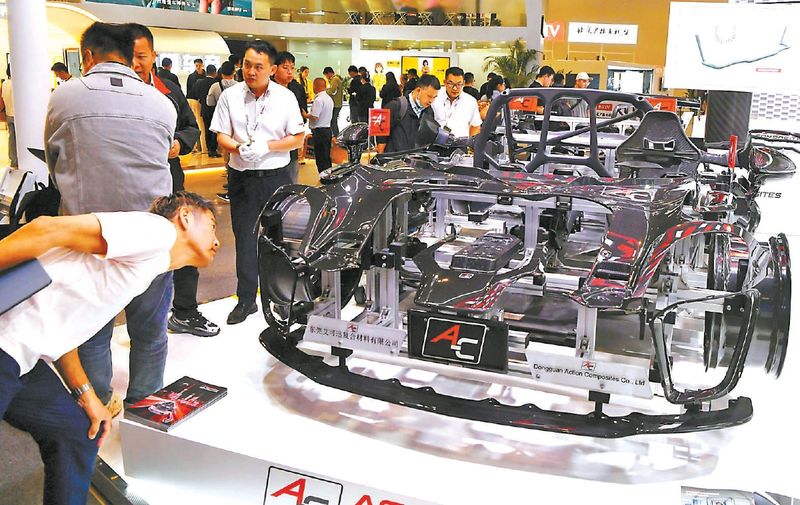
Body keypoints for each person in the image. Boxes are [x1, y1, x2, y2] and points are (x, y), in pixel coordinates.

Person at [0, 191, 219, 505]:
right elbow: (46, 228)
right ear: (185, 216)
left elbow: (62, 334)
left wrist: (87, 396)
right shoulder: (157, 232)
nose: (217, 240)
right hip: (6, 347)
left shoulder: (146, 267)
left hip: (23, 358)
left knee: (75, 434)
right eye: (211, 225)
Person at [45, 22, 178, 415]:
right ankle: (146, 405)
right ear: (129, 55)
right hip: (151, 233)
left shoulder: (64, 97)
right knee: (151, 330)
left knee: (91, 330)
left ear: (88, 56)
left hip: (90, 235)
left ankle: (100, 403)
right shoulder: (161, 103)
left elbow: (55, 164)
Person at [127, 24, 216, 339]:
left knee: (182, 241)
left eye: (141, 56)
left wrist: (180, 143)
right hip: (130, 183)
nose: (135, 63)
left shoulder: (168, 89)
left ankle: (185, 312)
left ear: (153, 55)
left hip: (170, 179)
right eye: (129, 56)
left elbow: (191, 127)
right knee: (136, 252)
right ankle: (139, 324)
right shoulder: (115, 94)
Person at [210, 40, 305, 325]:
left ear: (272, 69)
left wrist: (267, 147)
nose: (251, 71)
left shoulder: (285, 97)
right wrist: (238, 148)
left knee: (279, 239)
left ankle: (282, 297)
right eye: (247, 65)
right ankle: (246, 299)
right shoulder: (230, 96)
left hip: (276, 177)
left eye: (258, 67)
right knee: (245, 237)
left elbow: (297, 138)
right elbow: (221, 135)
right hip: (242, 178)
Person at [377, 74, 441, 154]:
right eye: (429, 96)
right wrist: (381, 157)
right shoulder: (396, 106)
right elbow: (381, 137)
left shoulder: (429, 111)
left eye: (434, 97)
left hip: (416, 159)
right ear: (418, 90)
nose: (431, 100)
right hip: (395, 159)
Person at [273, 51, 308, 183]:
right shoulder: (267, 88)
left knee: (291, 179)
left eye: (292, 68)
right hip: (273, 140)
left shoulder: (297, 88)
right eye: (285, 68)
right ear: (274, 68)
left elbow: (303, 112)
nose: (289, 72)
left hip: (291, 141)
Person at [432, 66, 482, 138]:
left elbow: (475, 126)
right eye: (451, 84)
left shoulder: (470, 101)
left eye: (459, 84)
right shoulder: (435, 96)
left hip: (460, 143)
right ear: (444, 82)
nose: (455, 88)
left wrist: (470, 143)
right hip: (434, 141)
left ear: (464, 83)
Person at [191, 64, 219, 157]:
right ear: (215, 72)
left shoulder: (199, 83)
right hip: (214, 110)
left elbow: (195, 95)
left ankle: (207, 148)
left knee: (206, 129)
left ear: (206, 72)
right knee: (215, 130)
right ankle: (213, 149)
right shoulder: (216, 83)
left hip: (204, 109)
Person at [308, 77, 333, 173]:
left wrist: (305, 115)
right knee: (326, 156)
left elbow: (314, 117)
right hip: (327, 130)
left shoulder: (318, 100)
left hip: (319, 131)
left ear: (315, 86)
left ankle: (323, 175)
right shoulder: (329, 98)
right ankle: (328, 175)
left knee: (320, 157)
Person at [186, 58, 206, 153]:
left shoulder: (205, 76)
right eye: (196, 65)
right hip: (193, 101)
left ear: (202, 65)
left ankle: (202, 147)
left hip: (202, 103)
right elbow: (188, 90)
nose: (198, 67)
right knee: (193, 124)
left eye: (199, 65)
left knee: (201, 125)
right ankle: (194, 147)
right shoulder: (191, 77)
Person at [0, 68, 16, 168]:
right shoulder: (17, 83)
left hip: (9, 114)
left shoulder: (4, 84)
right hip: (18, 116)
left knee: (11, 138)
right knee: (20, 139)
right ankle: (22, 159)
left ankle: (13, 160)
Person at [323, 66, 343, 136]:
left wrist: (324, 91)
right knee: (333, 121)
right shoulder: (336, 79)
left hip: (335, 104)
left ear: (329, 73)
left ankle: (336, 136)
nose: (326, 77)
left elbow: (332, 90)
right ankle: (335, 135)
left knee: (333, 121)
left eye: (326, 75)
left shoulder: (335, 79)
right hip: (337, 103)